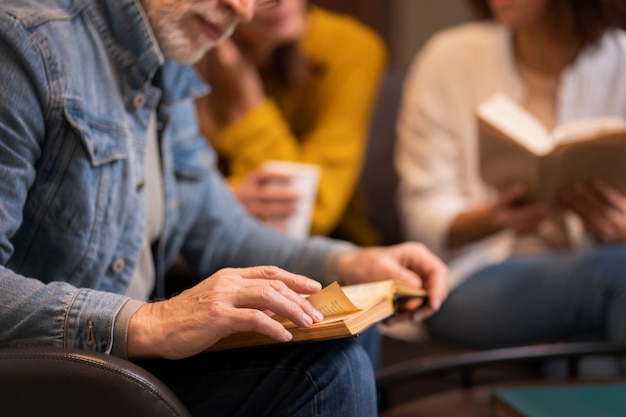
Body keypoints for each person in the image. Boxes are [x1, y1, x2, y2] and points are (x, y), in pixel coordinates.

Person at [0, 0, 448, 415]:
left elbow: (223, 231)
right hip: (47, 371)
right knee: (323, 371)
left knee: (348, 325)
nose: (244, 10)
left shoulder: (168, 71)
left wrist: (350, 261)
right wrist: (155, 320)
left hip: (128, 365)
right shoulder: (24, 43)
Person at [395, 0, 626, 350]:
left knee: (588, 353)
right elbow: (422, 215)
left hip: (594, 262)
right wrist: (492, 218)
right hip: (469, 278)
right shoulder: (449, 58)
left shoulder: (620, 61)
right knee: (617, 274)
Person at [195, 0, 387, 246]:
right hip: (210, 253)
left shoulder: (350, 47)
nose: (279, 3)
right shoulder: (187, 51)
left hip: (331, 247)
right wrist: (224, 200)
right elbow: (173, 207)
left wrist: (247, 103)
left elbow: (307, 212)